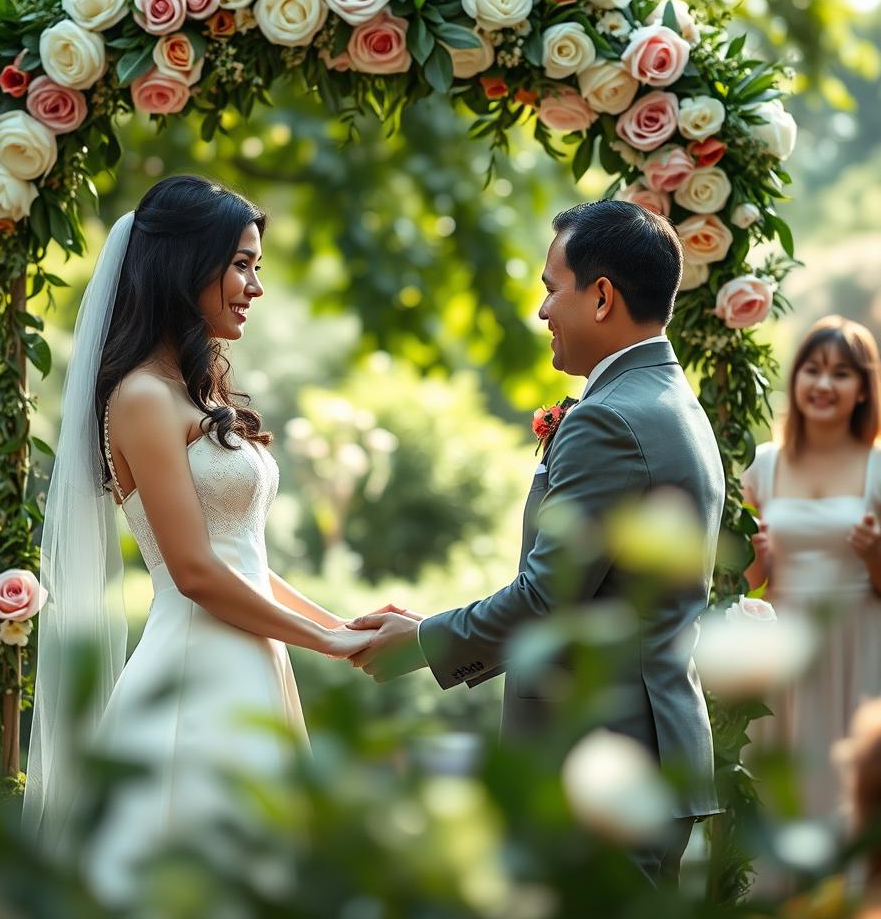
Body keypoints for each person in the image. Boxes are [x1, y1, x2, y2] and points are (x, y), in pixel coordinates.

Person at [22, 176, 380, 904]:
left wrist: (339, 625)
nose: (255, 285)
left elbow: (243, 557)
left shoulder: (195, 393)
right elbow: (194, 572)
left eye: (257, 266)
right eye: (242, 264)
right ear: (185, 265)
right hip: (195, 668)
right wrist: (327, 645)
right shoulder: (142, 398)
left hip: (248, 659)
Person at [347, 200, 726, 886]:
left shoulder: (611, 418)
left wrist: (424, 641)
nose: (543, 310)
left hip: (602, 762)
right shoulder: (672, 401)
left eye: (552, 288)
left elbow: (548, 597)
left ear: (602, 296)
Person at [744, 316, 881, 820]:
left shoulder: (878, 468)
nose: (824, 384)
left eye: (842, 374)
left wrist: (873, 553)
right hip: (787, 646)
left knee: (852, 789)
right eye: (813, 370)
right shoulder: (763, 465)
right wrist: (760, 555)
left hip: (862, 643)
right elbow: (746, 583)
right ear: (796, 377)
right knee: (787, 785)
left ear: (864, 389)